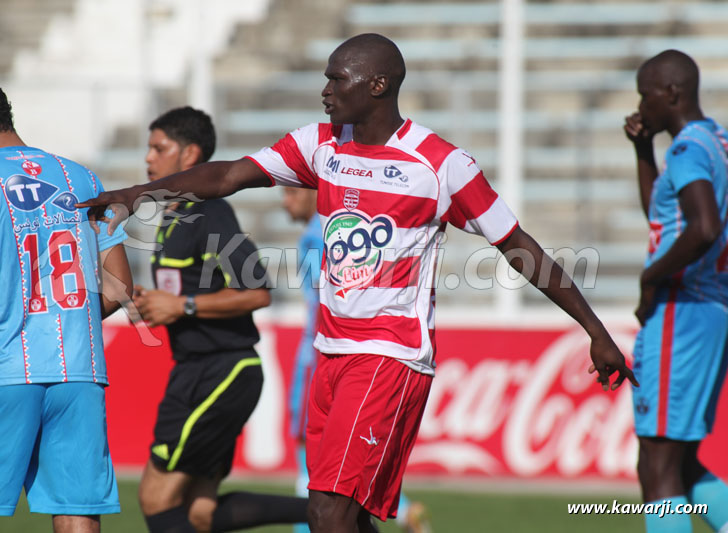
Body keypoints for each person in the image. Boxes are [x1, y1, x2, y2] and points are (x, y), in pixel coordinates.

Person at [80, 34, 637, 533]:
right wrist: (136, 196)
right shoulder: (322, 143)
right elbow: (229, 175)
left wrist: (594, 329)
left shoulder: (441, 164)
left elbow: (518, 246)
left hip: (389, 355)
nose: (325, 89)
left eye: (335, 78)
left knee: (327, 512)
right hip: (331, 352)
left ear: (377, 85)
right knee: (345, 517)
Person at [0, 72, 133, 533]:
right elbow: (121, 285)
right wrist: (68, 316)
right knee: (77, 508)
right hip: (80, 372)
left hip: (4, 372)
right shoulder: (82, 178)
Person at [133, 106, 309, 533]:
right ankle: (329, 516)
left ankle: (330, 515)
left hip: (222, 371)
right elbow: (185, 290)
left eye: (160, 148)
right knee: (199, 513)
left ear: (190, 154)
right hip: (197, 369)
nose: (148, 158)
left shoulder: (210, 213)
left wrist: (183, 307)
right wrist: (152, 301)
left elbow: (257, 292)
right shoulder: (175, 215)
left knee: (155, 497)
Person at [281, 186, 431, 533]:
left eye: (291, 193)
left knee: (320, 463)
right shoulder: (318, 231)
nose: (285, 201)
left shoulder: (323, 232)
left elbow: (332, 299)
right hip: (328, 351)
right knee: (340, 465)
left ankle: (313, 526)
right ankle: (407, 513)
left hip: (324, 354)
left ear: (311, 194)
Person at [624, 50, 728, 533]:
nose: (641, 105)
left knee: (658, 465)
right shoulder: (717, 142)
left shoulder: (687, 149)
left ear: (671, 92)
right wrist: (643, 152)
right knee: (681, 463)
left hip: (682, 310)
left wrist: (651, 279)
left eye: (645, 94)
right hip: (711, 309)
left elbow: (704, 227)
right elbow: (666, 217)